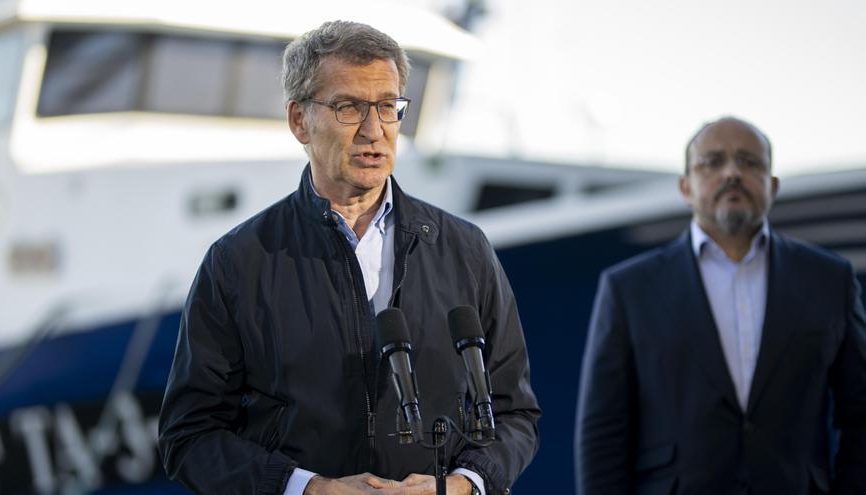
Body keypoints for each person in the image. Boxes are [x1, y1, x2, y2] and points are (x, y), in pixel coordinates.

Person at [158, 21, 540, 495]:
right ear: (300, 120)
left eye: (387, 107)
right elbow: (189, 436)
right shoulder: (237, 262)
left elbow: (516, 414)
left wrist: (462, 485)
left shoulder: (466, 249)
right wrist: (308, 489)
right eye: (348, 108)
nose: (374, 131)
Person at [575, 116, 866, 494]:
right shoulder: (629, 288)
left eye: (749, 161)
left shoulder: (829, 279)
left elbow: (860, 415)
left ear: (772, 186)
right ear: (685, 187)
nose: (732, 173)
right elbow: (603, 434)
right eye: (712, 162)